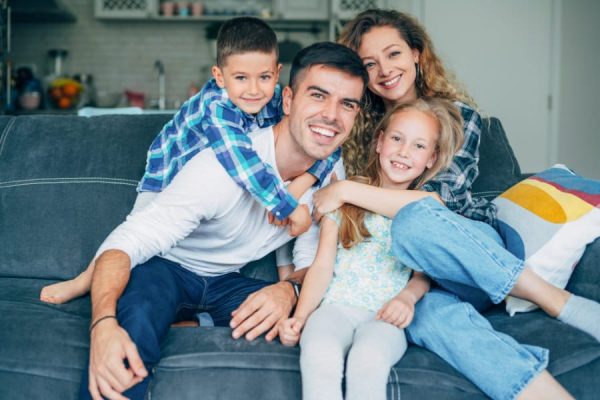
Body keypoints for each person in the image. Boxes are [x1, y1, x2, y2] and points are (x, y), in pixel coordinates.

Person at [312, 8, 599, 400]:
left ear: (416, 53)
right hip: (418, 276)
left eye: (393, 54)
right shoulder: (361, 125)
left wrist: (345, 191)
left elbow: (435, 204)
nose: (385, 70)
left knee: (413, 222)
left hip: (470, 250)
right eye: (370, 63)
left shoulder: (459, 117)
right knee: (429, 320)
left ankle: (554, 299)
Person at [79, 42, 368, 400]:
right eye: (319, 96)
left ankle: (191, 323)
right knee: (134, 325)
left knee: (298, 321)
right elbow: (125, 243)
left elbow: (314, 264)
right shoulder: (220, 168)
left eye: (347, 104)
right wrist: (102, 324)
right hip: (167, 267)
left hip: (227, 283)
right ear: (289, 100)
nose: (332, 115)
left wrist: (287, 290)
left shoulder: (331, 176)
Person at [40, 16, 339, 305]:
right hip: (168, 173)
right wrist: (285, 205)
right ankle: (84, 279)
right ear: (219, 77)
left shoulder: (277, 100)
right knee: (137, 234)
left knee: (277, 206)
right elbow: (240, 160)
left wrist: (300, 184)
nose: (253, 89)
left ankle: (282, 282)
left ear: (277, 73)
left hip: (218, 184)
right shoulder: (217, 106)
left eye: (264, 77)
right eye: (240, 78)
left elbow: (328, 148)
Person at [278, 98, 463, 400]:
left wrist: (406, 298)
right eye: (396, 138)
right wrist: (300, 316)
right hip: (335, 307)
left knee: (368, 361)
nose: (404, 152)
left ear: (431, 158)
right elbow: (322, 266)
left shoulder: (422, 210)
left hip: (384, 316)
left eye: (418, 146)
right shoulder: (344, 197)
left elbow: (422, 276)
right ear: (379, 142)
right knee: (318, 352)